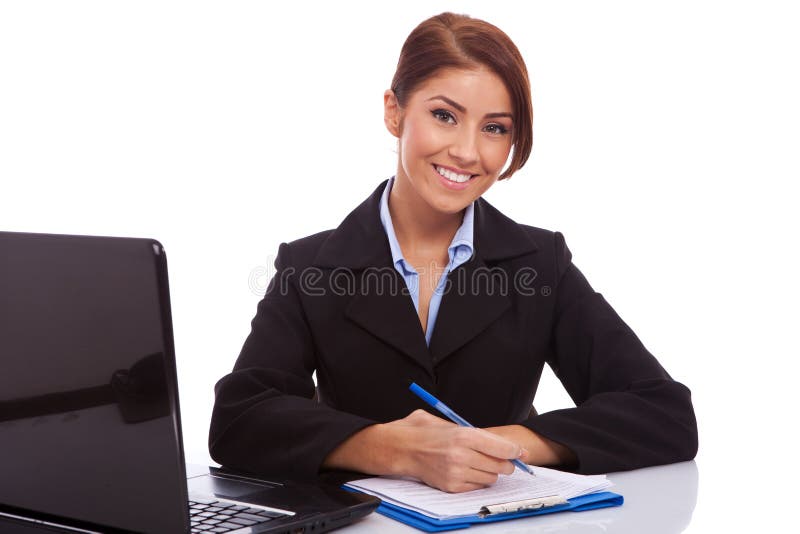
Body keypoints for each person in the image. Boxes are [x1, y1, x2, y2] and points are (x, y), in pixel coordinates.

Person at [209, 12, 698, 494]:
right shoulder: (310, 267)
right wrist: (391, 449)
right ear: (394, 112)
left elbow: (663, 412)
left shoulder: (539, 262)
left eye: (495, 128)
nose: (468, 152)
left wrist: (506, 444)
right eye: (445, 116)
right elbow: (239, 419)